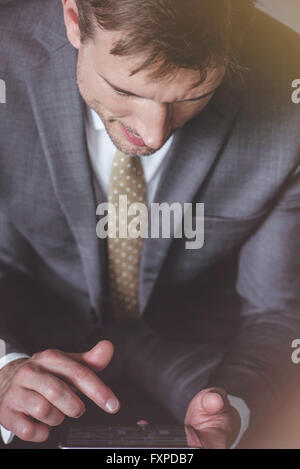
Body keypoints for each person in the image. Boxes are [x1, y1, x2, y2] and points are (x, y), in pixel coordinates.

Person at [0, 0, 299, 449]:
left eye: (192, 96)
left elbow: (277, 309)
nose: (154, 135)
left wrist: (234, 406)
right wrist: (3, 369)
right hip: (23, 333)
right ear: (74, 20)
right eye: (127, 90)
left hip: (208, 358)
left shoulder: (288, 85)